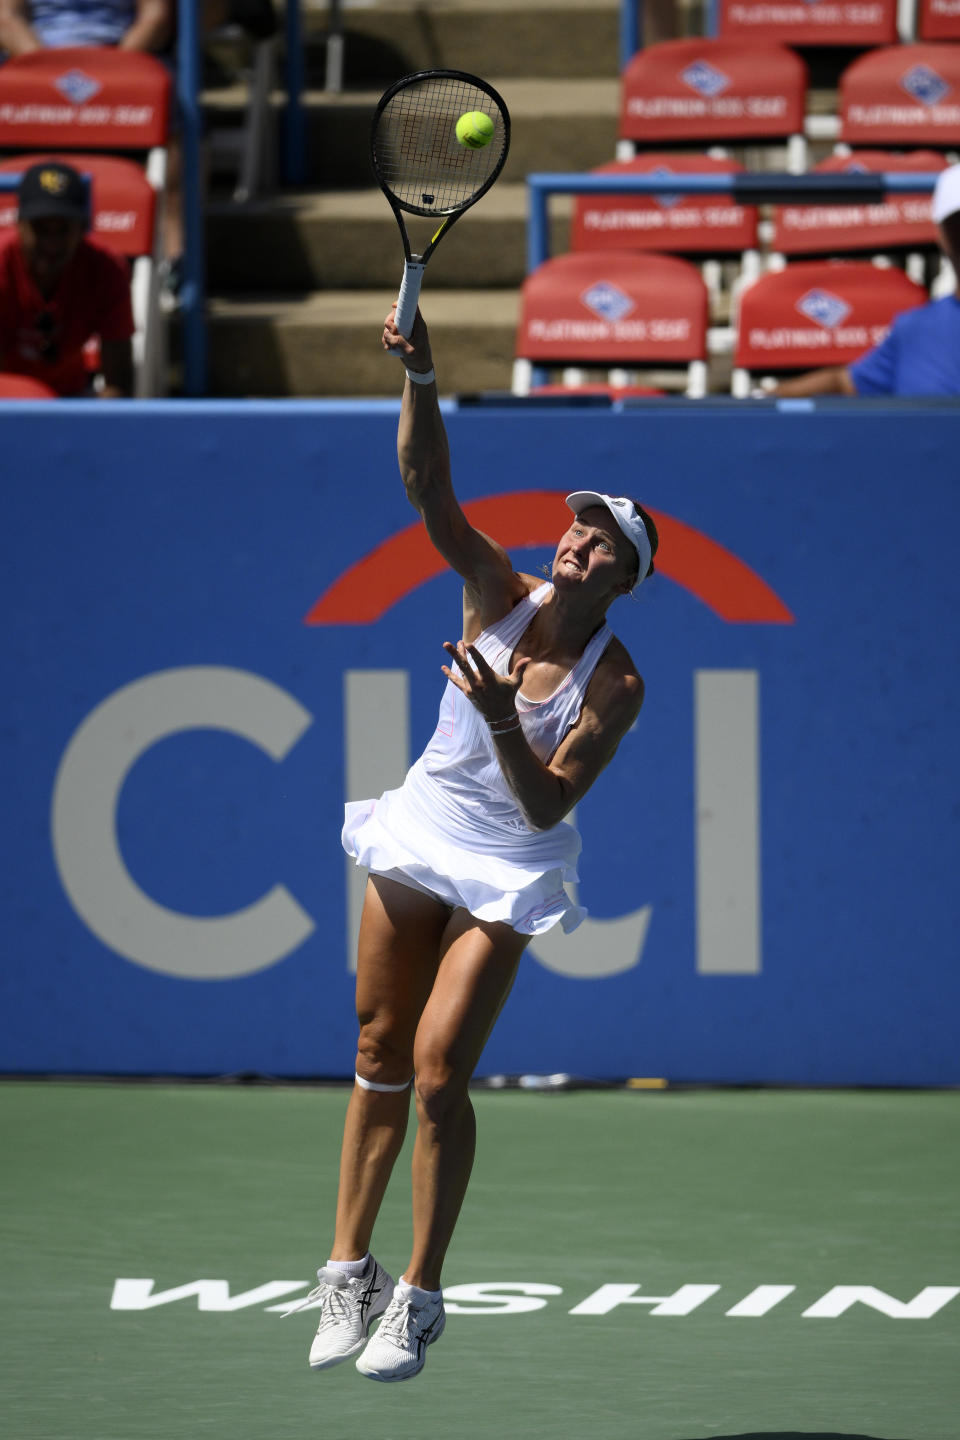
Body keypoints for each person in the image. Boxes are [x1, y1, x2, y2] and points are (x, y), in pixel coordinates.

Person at [284, 304, 659, 1383]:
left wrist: (500, 713)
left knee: (442, 1071)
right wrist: (424, 377)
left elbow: (546, 808)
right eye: (575, 526)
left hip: (509, 866)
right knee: (375, 1053)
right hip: (422, 831)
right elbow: (427, 493)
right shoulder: (496, 588)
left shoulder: (618, 683)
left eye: (600, 541)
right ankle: (345, 1271)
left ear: (624, 579)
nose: (575, 541)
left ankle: (421, 1292)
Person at [775, 163, 960, 399]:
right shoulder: (913, 329)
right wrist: (762, 400)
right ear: (941, 235)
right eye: (959, 225)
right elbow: (846, 382)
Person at [0, 159, 134, 396]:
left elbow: (118, 380)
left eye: (63, 229)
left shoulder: (107, 268)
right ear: (19, 225)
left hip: (71, 398)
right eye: (40, 228)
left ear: (82, 229)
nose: (52, 242)